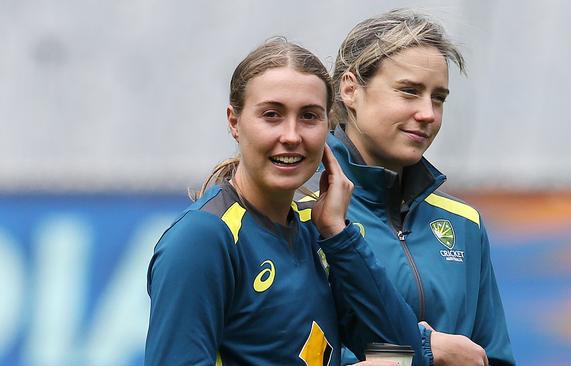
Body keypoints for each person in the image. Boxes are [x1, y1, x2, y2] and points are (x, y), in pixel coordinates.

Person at [144, 38, 435, 365]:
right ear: (234, 122)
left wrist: (339, 235)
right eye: (272, 114)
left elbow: (403, 350)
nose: (292, 135)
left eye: (310, 116)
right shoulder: (204, 238)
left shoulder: (317, 235)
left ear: (328, 126)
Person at [294, 9, 515, 366]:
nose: (428, 113)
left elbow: (492, 357)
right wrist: (423, 352)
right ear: (350, 89)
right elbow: (284, 350)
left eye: (438, 97)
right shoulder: (300, 212)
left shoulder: (463, 223)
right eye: (409, 91)